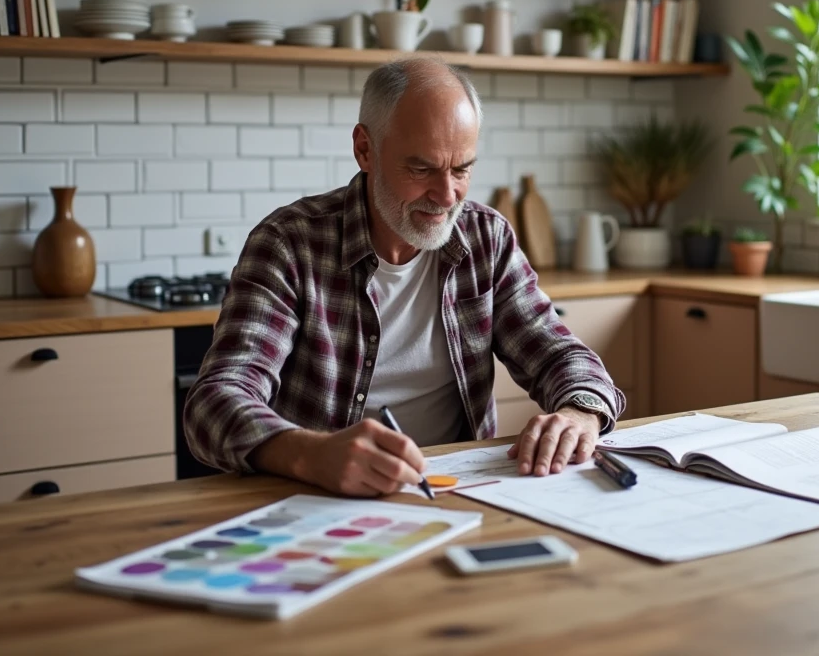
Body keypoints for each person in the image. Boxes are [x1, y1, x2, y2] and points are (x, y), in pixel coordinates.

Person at [184, 57, 624, 497]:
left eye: (462, 168)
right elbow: (215, 404)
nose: (446, 195)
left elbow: (559, 354)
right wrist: (309, 454)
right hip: (316, 496)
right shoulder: (288, 244)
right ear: (365, 150)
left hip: (460, 490)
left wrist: (579, 412)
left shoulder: (486, 238)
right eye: (421, 169)